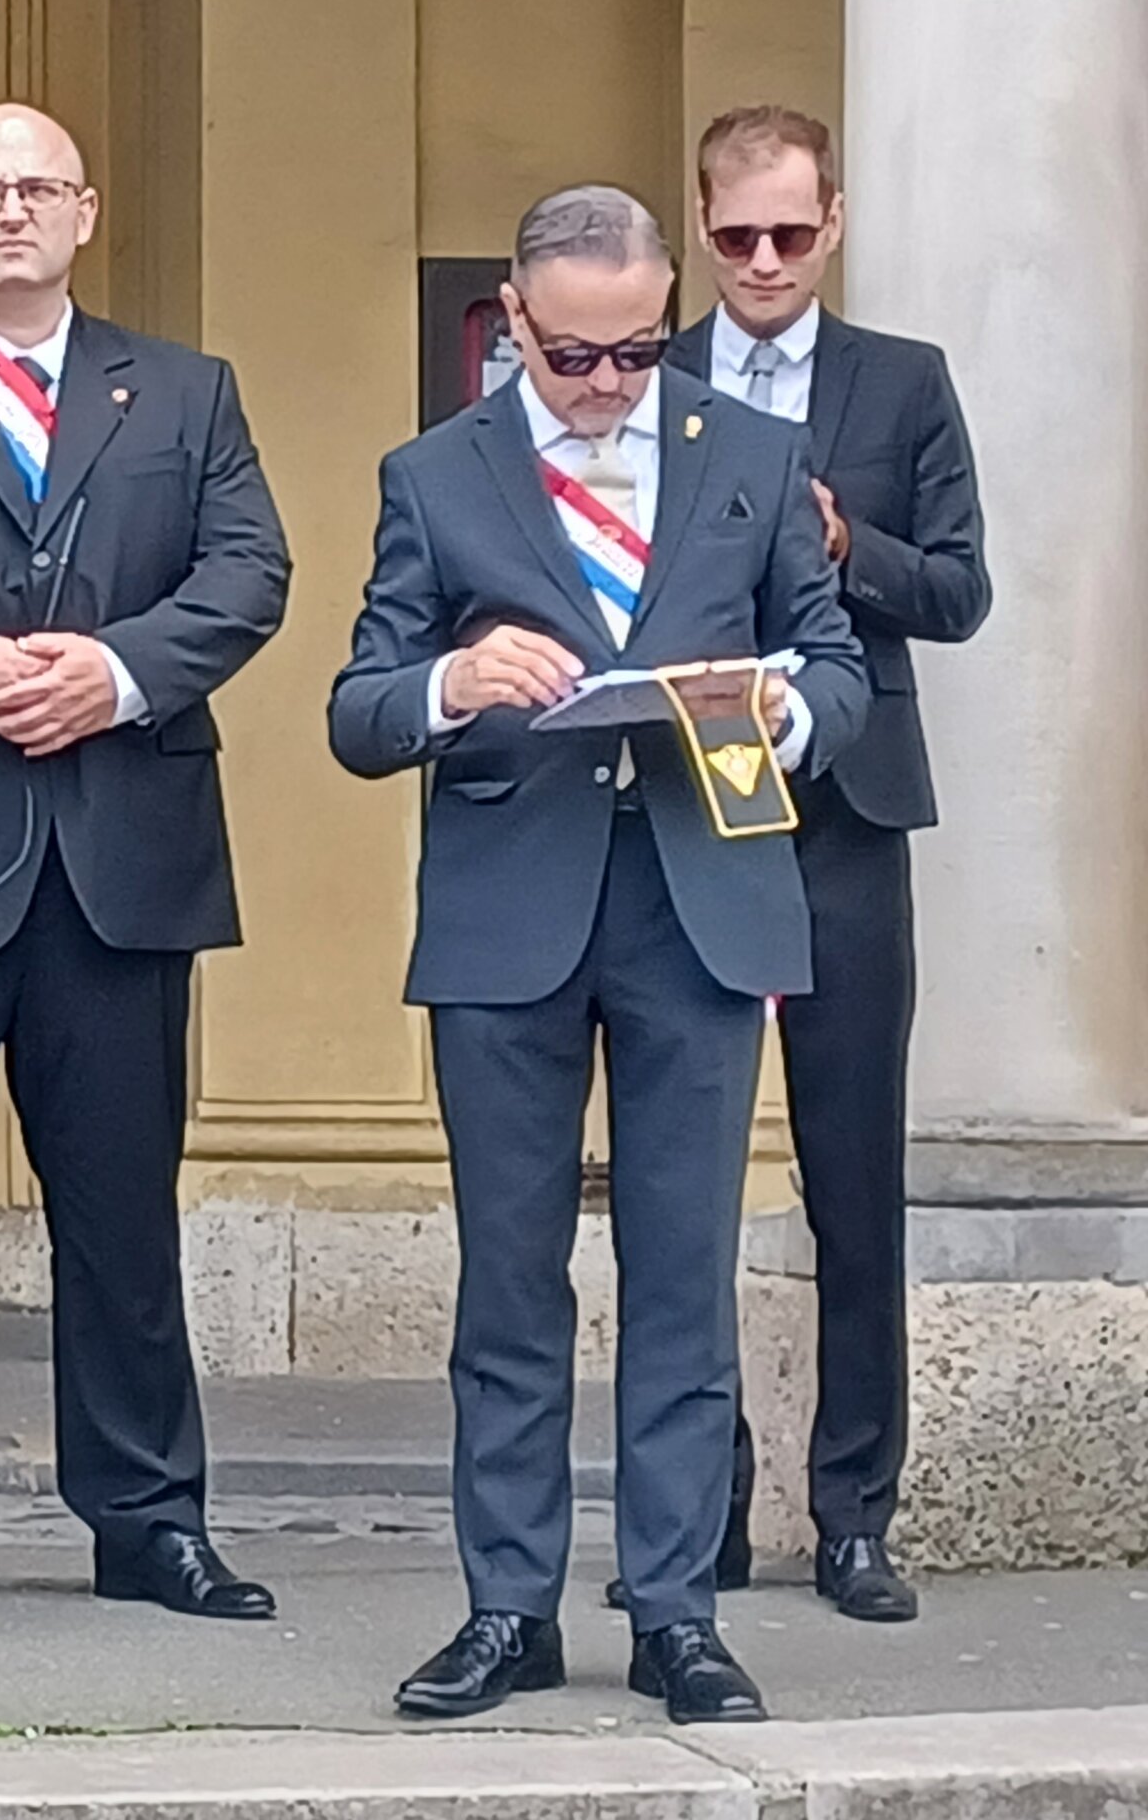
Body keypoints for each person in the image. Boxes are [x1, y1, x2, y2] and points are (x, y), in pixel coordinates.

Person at [330, 186, 867, 1725]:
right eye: (576, 357)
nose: (610, 383)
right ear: (515, 320)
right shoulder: (436, 473)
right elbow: (360, 707)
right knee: (510, 1282)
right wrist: (450, 683)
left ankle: (676, 1614)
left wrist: (787, 708)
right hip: (511, 909)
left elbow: (838, 665)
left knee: (683, 1276)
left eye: (639, 350)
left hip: (702, 901)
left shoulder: (751, 453)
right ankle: (508, 1610)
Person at [0, 104, 288, 1619]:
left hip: (120, 862)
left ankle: (149, 1522)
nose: (11, 210)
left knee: (122, 1219)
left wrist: (119, 672)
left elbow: (248, 570)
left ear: (86, 212)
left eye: (38, 188)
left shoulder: (187, 390)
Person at [635, 105, 988, 1625]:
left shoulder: (900, 382)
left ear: (833, 222)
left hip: (846, 807)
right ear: (701, 227)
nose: (766, 260)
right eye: (737, 236)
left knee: (855, 1176)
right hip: (687, 802)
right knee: (681, 1182)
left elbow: (962, 592)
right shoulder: (647, 374)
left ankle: (854, 1517)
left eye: (791, 232)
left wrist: (851, 549)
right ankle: (695, 1514)